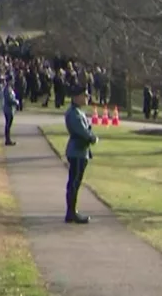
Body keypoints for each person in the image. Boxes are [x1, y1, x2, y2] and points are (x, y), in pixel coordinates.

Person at [64, 84, 98, 224]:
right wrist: (92, 138)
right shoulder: (74, 113)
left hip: (80, 151)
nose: (87, 98)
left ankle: (72, 211)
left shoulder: (78, 112)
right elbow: (82, 132)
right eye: (84, 95)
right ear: (76, 97)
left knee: (75, 183)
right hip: (77, 151)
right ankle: (71, 212)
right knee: (74, 183)